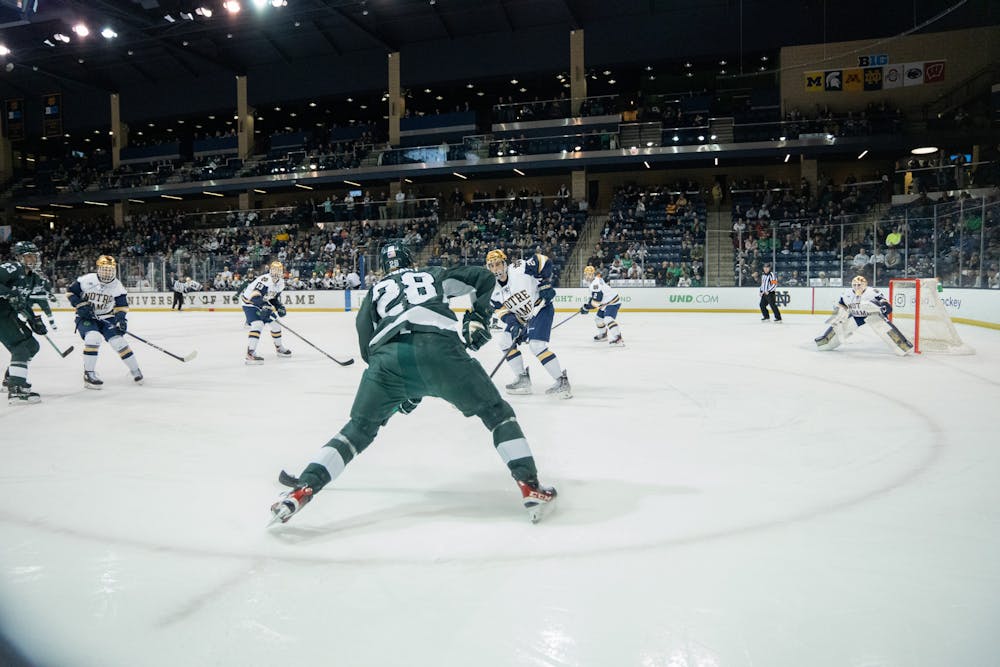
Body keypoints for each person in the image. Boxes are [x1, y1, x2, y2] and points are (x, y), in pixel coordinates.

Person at [269, 241, 557, 525]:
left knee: (358, 430)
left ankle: (302, 489)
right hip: (442, 350)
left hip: (388, 361)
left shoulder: (375, 290)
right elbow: (483, 277)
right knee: (497, 414)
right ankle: (529, 486)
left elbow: (364, 335)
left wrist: (397, 385)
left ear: (384, 267)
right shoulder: (432, 274)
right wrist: (478, 317)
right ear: (411, 261)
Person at [486, 249, 571, 399]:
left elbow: (543, 261)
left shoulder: (519, 269)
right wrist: (514, 325)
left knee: (536, 345)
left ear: (505, 263)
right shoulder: (492, 290)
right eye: (491, 266)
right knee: (505, 342)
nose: (495, 268)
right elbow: (502, 312)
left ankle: (561, 381)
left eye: (498, 264)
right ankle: (522, 378)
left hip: (540, 309)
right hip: (521, 317)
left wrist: (544, 283)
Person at [67, 255, 144, 389]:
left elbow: (121, 306)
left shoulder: (117, 286)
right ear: (98, 269)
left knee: (119, 342)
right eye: (104, 269)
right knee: (93, 337)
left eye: (110, 270)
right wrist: (79, 304)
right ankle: (89, 374)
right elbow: (70, 292)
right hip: (86, 317)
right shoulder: (87, 280)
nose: (107, 273)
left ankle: (135, 370)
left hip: (107, 317)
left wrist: (121, 320)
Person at [814, 275, 913, 355]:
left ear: (865, 285)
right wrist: (839, 314)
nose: (857, 287)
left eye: (859, 285)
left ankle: (903, 345)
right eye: (854, 285)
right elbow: (841, 306)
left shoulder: (873, 292)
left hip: (873, 315)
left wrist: (882, 308)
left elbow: (887, 306)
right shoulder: (846, 294)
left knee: (884, 328)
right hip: (856, 315)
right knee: (840, 327)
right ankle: (826, 342)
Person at [0, 241, 47, 404]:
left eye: (34, 256)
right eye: (28, 256)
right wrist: (9, 293)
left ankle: (11, 378)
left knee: (32, 346)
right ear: (19, 257)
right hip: (1, 315)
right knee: (21, 347)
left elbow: (22, 302)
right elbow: (12, 295)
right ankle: (16, 389)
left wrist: (34, 320)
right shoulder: (12, 268)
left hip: (8, 315)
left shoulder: (32, 278)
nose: (33, 259)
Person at [240, 260, 291, 364]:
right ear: (270, 270)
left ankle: (279, 348)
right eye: (274, 270)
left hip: (262, 302)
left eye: (278, 270)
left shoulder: (281, 283)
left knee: (276, 325)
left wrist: (279, 306)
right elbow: (254, 295)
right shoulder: (265, 280)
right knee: (257, 324)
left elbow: (273, 298)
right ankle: (250, 353)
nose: (276, 272)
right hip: (250, 303)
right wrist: (264, 305)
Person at [579, 265, 623, 345]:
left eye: (590, 274)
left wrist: (586, 307)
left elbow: (596, 302)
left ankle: (618, 337)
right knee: (598, 319)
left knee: (608, 319)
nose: (587, 276)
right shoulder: (595, 280)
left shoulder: (595, 284)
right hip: (605, 303)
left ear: (593, 274)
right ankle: (603, 335)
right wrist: (587, 305)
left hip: (612, 302)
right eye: (586, 274)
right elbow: (594, 297)